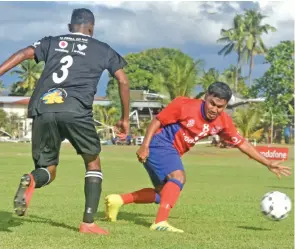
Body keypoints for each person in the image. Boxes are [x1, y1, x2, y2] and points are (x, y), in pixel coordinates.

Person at [0, 8, 130, 235]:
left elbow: (23, 53)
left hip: (44, 108)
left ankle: (32, 179)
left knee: (47, 169)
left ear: (70, 27)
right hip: (75, 110)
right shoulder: (102, 49)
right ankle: (88, 222)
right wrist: (125, 118)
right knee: (93, 163)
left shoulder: (52, 42)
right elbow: (123, 81)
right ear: (92, 28)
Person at [105, 82, 291, 233]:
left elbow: (242, 143)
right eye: (212, 103)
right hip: (159, 144)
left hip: (169, 151)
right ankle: (160, 222)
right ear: (206, 97)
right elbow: (157, 121)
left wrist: (267, 162)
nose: (214, 109)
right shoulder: (184, 105)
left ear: (225, 106)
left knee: (163, 194)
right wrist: (144, 146)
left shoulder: (223, 121)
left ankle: (118, 200)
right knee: (179, 177)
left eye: (220, 107)